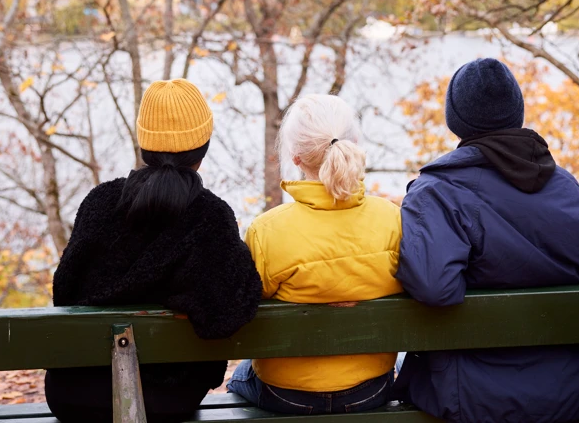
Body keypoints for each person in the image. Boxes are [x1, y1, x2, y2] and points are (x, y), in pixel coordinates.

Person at [394, 58, 579, 423]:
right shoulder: (564, 185)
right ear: (516, 112)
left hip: (479, 392)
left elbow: (434, 289)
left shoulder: (437, 193)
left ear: (455, 119)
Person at [45, 79, 263, 423]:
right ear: (203, 145)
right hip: (166, 400)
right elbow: (227, 314)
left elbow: (64, 292)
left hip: (75, 394)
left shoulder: (98, 203)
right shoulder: (211, 216)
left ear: (144, 143)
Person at [227, 94, 402, 415]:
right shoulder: (391, 219)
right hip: (369, 390)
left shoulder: (267, 230)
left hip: (287, 395)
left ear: (295, 157)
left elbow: (248, 300)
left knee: (239, 376)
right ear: (354, 143)